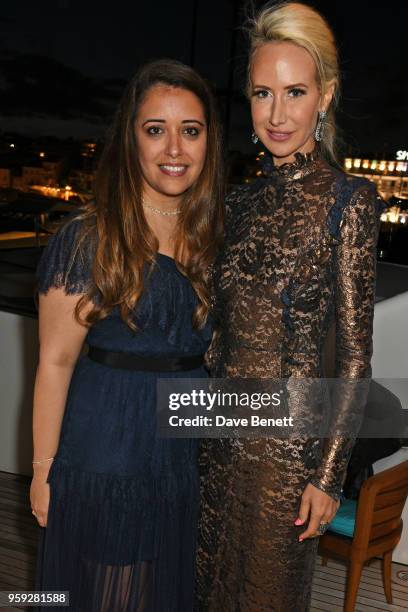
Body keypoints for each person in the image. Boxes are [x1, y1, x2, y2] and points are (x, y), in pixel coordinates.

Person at [196, 2, 384, 610]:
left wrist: (328, 476)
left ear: (324, 96)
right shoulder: (238, 203)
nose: (276, 114)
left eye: (294, 92)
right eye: (261, 93)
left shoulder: (350, 201)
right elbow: (217, 331)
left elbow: (355, 358)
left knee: (266, 594)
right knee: (208, 585)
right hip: (219, 431)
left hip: (288, 447)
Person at [30, 58, 223, 612]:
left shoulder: (216, 240)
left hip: (183, 461)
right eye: (155, 130)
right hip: (106, 452)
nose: (174, 150)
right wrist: (43, 472)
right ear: (130, 139)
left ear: (209, 141)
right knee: (110, 596)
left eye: (191, 131)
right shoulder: (86, 240)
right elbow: (55, 364)